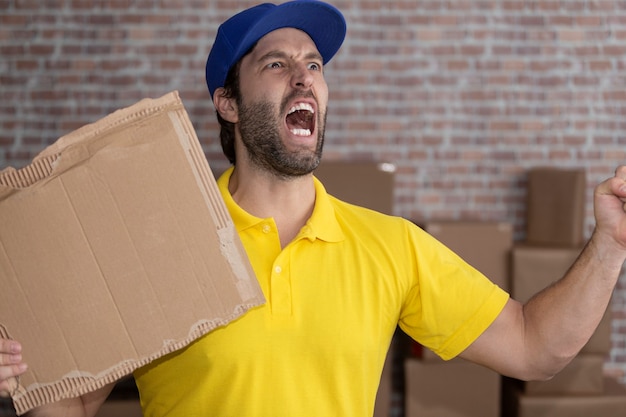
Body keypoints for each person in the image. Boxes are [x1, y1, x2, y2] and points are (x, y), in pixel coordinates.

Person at [2, 0, 626, 416]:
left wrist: (612, 243)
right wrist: (24, 370)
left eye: (314, 65)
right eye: (276, 64)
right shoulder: (161, 244)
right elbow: (75, 408)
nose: (304, 77)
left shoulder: (390, 246)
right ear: (228, 103)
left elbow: (536, 347)